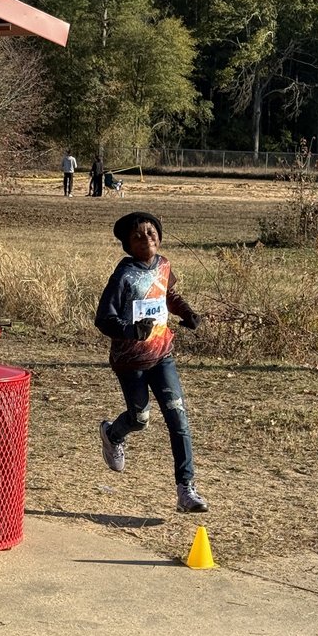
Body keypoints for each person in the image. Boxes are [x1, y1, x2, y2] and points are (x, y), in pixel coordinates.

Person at [94, 211, 208, 513]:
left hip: (162, 355)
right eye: (137, 236)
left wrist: (187, 312)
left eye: (150, 231)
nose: (146, 238)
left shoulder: (164, 265)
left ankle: (186, 489)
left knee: (178, 417)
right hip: (131, 362)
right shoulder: (123, 276)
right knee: (140, 418)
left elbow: (167, 294)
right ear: (127, 246)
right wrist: (131, 330)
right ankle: (113, 433)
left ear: (159, 233)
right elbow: (103, 319)